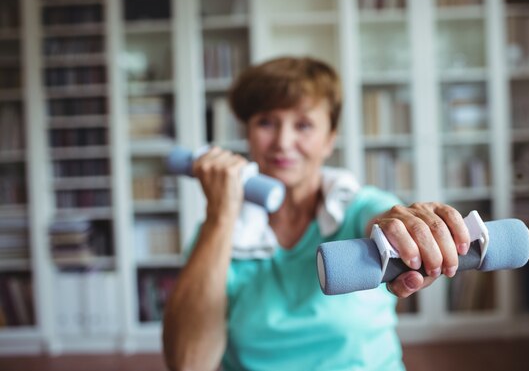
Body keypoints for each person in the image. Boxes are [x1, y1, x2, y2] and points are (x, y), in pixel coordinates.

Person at [162, 56, 470, 371]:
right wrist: (220, 218)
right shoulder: (217, 232)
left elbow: (384, 221)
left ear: (329, 139)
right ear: (248, 133)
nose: (283, 143)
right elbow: (188, 364)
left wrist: (407, 230)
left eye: (304, 125)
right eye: (266, 122)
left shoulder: (359, 209)